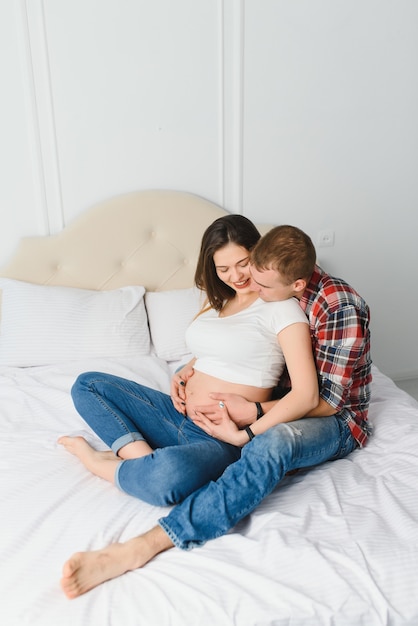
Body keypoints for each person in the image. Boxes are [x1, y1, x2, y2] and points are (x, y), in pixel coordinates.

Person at [60, 224, 371, 600]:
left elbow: (320, 399)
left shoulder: (321, 304)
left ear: (293, 283)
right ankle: (140, 463)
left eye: (246, 267)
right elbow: (234, 349)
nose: (245, 281)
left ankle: (145, 539)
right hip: (194, 417)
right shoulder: (247, 290)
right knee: (89, 384)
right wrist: (187, 370)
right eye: (225, 270)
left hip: (329, 418)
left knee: (270, 444)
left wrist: (249, 424)